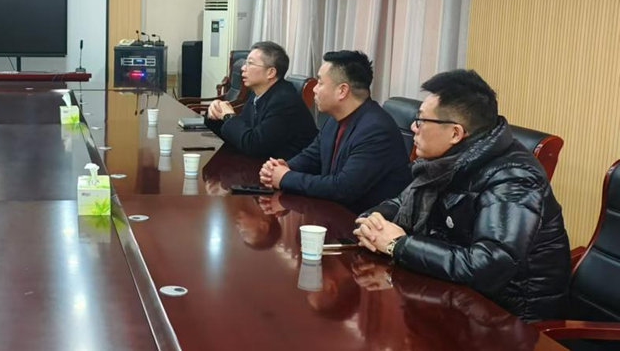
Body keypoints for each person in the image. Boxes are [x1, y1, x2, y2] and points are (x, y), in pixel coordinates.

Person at [353, 69, 570, 322]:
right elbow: (403, 201)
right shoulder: (445, 161)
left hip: (507, 318)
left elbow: (488, 266)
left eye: (421, 120)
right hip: (454, 296)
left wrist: (398, 245)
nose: (413, 127)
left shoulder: (514, 178)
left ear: (456, 133)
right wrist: (374, 221)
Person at [259, 50, 410, 214]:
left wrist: (285, 177)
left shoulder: (376, 129)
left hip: (361, 222)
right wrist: (282, 167)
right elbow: (311, 157)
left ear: (342, 90)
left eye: (320, 83)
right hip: (331, 213)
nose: (315, 89)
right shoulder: (335, 120)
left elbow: (343, 188)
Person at [204, 41, 318, 159]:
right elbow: (240, 136)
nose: (243, 68)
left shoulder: (284, 101)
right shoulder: (257, 94)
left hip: (288, 167)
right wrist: (215, 113)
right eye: (245, 63)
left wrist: (229, 116)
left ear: (270, 72)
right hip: (260, 163)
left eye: (250, 63)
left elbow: (254, 145)